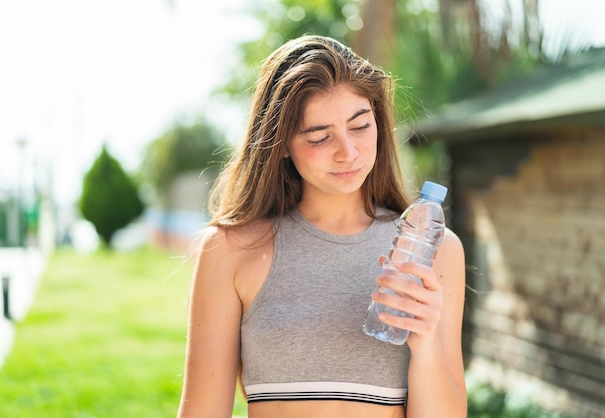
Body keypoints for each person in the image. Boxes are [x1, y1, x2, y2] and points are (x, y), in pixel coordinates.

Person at [177, 34, 467, 418]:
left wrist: (426, 343)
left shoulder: (437, 250)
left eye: (360, 126)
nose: (347, 152)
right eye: (319, 136)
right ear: (280, 143)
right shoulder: (230, 249)